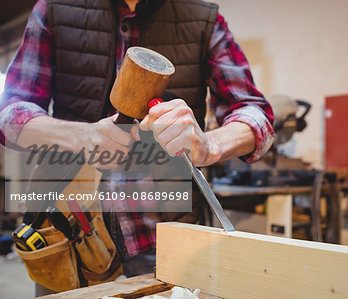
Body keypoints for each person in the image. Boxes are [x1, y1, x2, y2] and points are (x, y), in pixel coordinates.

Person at [0, 0, 275, 293]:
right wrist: (81, 136)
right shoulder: (54, 10)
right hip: (70, 232)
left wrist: (209, 144)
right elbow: (9, 118)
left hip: (164, 237)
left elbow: (258, 116)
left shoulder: (203, 19)